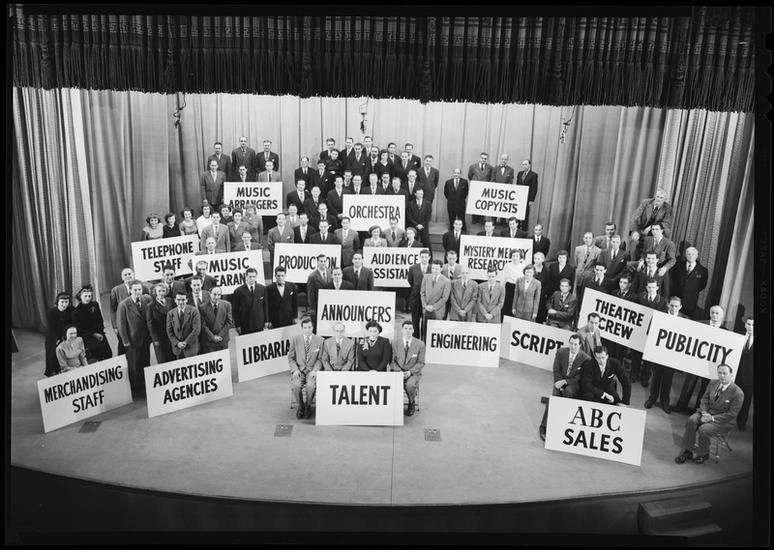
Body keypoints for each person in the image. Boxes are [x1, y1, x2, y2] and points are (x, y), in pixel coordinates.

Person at [675, 364, 743, 465]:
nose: (722, 376)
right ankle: (688, 451)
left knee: (704, 429)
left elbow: (731, 414)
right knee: (691, 420)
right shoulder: (713, 383)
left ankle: (704, 454)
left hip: (723, 421)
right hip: (706, 412)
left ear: (731, 374)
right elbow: (704, 399)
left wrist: (711, 418)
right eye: (720, 373)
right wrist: (704, 413)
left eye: (725, 373)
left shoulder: (738, 393)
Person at [675, 305, 727, 412]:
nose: (714, 315)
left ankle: (698, 409)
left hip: (711, 364)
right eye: (712, 312)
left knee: (706, 388)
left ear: (722, 316)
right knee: (689, 383)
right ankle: (681, 405)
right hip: (696, 360)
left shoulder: (727, 332)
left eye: (717, 313)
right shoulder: (700, 324)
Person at [538, 334, 590, 440]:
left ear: (580, 345)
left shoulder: (585, 358)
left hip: (573, 384)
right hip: (559, 381)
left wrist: (565, 382)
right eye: (571, 343)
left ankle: (561, 426)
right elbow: (556, 370)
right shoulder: (561, 352)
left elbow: (580, 378)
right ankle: (544, 427)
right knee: (554, 398)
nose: (573, 346)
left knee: (568, 392)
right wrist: (559, 382)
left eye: (575, 344)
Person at [644, 296, 687, 414]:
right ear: (668, 304)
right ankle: (652, 399)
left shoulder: (685, 320)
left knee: (668, 380)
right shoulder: (658, 315)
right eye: (672, 305)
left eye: (676, 306)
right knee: (656, 377)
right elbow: (649, 332)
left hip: (672, 356)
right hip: (658, 353)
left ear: (680, 307)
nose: (673, 308)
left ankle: (664, 402)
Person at [116, 281, 153, 396]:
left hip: (145, 339)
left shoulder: (147, 299)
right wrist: (125, 341)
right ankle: (135, 389)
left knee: (145, 361)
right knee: (134, 365)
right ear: (130, 291)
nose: (138, 292)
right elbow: (121, 325)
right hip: (132, 341)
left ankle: (145, 385)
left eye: (139, 289)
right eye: (135, 290)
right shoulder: (123, 305)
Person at [631, 279, 668, 386]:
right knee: (636, 355)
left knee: (648, 357)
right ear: (646, 287)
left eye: (653, 287)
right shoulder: (640, 297)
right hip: (640, 330)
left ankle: (645, 378)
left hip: (652, 333)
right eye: (649, 287)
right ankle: (634, 375)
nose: (651, 289)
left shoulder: (663, 301)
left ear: (657, 288)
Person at [288, 317, 324, 419]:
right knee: (296, 385)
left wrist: (315, 371)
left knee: (311, 386)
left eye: (309, 327)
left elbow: (320, 359)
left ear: (313, 327)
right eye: (305, 328)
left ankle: (308, 405)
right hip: (299, 370)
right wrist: (295, 370)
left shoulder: (320, 340)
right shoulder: (295, 339)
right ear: (302, 328)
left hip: (312, 370)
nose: (307, 330)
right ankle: (301, 406)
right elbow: (291, 358)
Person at [109, 267, 149, 357]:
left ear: (133, 275)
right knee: (124, 347)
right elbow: (113, 310)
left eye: (129, 274)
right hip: (123, 322)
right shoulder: (116, 290)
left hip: (136, 324)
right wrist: (115, 326)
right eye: (125, 275)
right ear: (122, 277)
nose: (128, 276)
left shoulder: (143, 287)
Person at [390, 320, 425, 416]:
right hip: (398, 371)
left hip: (413, 372)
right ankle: (394, 404)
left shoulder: (420, 344)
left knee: (409, 385)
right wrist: (399, 371)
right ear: (401, 330)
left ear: (413, 330)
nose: (407, 331)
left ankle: (411, 402)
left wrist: (410, 372)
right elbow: (392, 361)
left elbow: (421, 362)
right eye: (405, 328)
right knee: (392, 385)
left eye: (410, 329)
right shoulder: (394, 343)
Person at [72, 285, 112, 362]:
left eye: (89, 296)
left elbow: (100, 320)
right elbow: (79, 329)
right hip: (87, 336)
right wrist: (93, 334)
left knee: (108, 354)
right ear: (80, 296)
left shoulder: (95, 305)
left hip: (99, 333)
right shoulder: (75, 312)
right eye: (85, 296)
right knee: (94, 355)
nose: (88, 298)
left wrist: (100, 332)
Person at [638, 222, 676, 297]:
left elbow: (672, 260)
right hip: (647, 267)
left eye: (657, 229)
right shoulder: (647, 240)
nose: (654, 232)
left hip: (659, 270)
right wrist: (641, 260)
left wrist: (665, 268)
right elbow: (644, 253)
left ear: (661, 231)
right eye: (653, 229)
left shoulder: (669, 243)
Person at [671, 246, 709, 320]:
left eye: (693, 254)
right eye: (688, 254)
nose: (691, 256)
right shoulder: (678, 266)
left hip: (690, 302)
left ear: (697, 256)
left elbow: (702, 285)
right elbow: (673, 279)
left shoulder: (703, 270)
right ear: (685, 255)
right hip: (676, 300)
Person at [45, 292, 74, 376]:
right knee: (54, 353)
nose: (64, 304)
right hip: (53, 337)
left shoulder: (71, 310)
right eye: (62, 302)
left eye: (66, 302)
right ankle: (53, 370)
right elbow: (51, 329)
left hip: (66, 335)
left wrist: (67, 338)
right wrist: (57, 340)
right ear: (57, 302)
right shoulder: (50, 312)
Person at [166, 291, 201, 359]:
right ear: (175, 300)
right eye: (178, 300)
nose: (181, 302)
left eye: (183, 300)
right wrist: (177, 343)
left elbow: (196, 330)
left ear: (187, 300)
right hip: (178, 349)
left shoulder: (194, 311)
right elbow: (169, 331)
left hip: (191, 348)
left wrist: (186, 342)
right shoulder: (170, 313)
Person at [145, 283, 174, 364]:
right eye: (159, 291)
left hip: (171, 334)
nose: (161, 293)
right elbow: (150, 324)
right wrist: (155, 339)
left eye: (163, 291)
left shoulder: (170, 301)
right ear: (155, 292)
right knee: (162, 359)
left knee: (173, 357)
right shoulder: (150, 306)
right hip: (159, 336)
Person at [232, 268, 266, 335]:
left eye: (254, 276)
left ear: (256, 277)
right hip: (245, 324)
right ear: (246, 277)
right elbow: (235, 310)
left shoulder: (262, 288)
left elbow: (265, 306)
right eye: (250, 276)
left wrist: (266, 321)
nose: (252, 279)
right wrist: (237, 325)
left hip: (258, 323)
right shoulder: (238, 291)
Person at [421, 260, 451, 336]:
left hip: (437, 311)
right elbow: (422, 293)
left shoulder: (446, 281)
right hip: (426, 309)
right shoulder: (426, 277)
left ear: (441, 269)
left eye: (436, 269)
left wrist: (433, 307)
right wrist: (425, 305)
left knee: (435, 334)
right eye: (433, 268)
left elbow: (444, 298)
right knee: (425, 332)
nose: (434, 270)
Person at [199, 286, 233, 353]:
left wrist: (220, 335)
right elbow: (203, 325)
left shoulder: (227, 305)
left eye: (219, 295)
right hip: (209, 342)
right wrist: (212, 337)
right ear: (210, 294)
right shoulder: (202, 307)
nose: (216, 297)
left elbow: (229, 322)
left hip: (222, 340)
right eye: (214, 294)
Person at [407, 249, 433, 337]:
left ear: (429, 257)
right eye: (422, 257)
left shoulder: (433, 268)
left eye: (426, 257)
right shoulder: (413, 268)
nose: (424, 259)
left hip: (428, 299)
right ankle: (416, 339)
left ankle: (425, 339)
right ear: (419, 257)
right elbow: (410, 281)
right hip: (416, 298)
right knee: (415, 320)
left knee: (426, 321)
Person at [735, 317, 754, 431]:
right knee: (728, 397)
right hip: (735, 374)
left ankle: (741, 422)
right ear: (745, 325)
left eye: (753, 325)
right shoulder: (738, 336)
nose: (751, 327)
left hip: (750, 377)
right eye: (749, 324)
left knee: (746, 401)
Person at [306, 255, 332, 328]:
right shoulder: (312, 276)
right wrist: (312, 309)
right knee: (317, 327)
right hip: (318, 305)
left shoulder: (330, 272)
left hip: (329, 305)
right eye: (321, 261)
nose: (323, 263)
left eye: (324, 261)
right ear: (317, 262)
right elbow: (310, 295)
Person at [501, 248, 525, 321]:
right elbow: (503, 278)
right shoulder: (507, 266)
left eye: (517, 256)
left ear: (520, 257)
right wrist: (502, 288)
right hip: (508, 287)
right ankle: (505, 322)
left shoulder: (523, 266)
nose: (515, 258)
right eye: (513, 256)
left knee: (516, 305)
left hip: (518, 287)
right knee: (507, 304)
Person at [516, 159, 538, 230]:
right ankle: (517, 228)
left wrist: (531, 200)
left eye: (526, 164)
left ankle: (524, 230)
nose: (524, 166)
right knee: (517, 214)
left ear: (529, 165)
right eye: (523, 164)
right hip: (519, 197)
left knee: (525, 215)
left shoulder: (533, 175)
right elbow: (517, 186)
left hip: (527, 198)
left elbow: (534, 188)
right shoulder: (520, 173)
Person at [532, 252, 551, 324]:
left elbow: (548, 284)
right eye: (535, 258)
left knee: (539, 314)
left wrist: (540, 294)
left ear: (543, 260)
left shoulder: (547, 270)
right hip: (530, 295)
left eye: (538, 259)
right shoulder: (530, 268)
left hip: (541, 296)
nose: (536, 260)